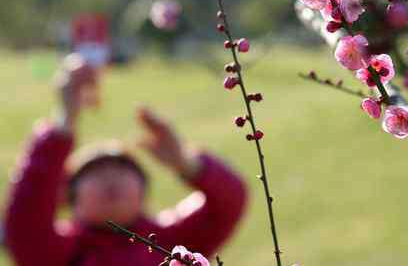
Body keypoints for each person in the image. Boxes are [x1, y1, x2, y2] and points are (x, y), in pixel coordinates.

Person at [4, 55, 248, 266]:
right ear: (70, 196)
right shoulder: (60, 252)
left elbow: (229, 201)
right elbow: (25, 220)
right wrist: (65, 120)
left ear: (144, 190)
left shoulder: (170, 242)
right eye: (95, 171)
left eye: (123, 168)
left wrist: (186, 163)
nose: (111, 177)